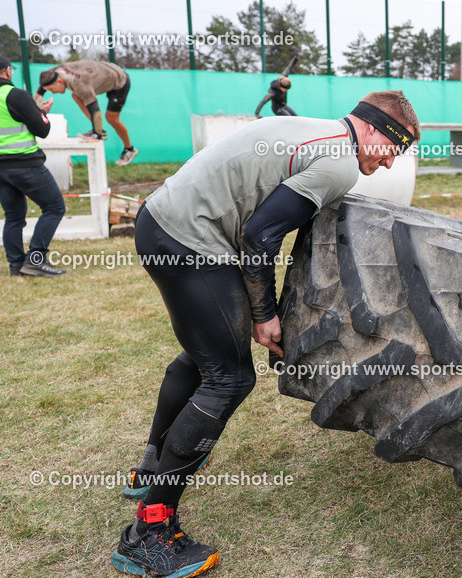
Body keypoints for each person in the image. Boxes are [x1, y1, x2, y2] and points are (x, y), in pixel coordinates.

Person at [111, 91, 421, 578]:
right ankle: (147, 533)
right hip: (188, 238)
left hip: (162, 220)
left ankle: (150, 468)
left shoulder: (317, 132)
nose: (386, 166)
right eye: (392, 151)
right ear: (376, 130)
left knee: (202, 359)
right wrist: (263, 313)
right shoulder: (339, 163)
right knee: (229, 379)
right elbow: (259, 235)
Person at [0, 55, 68, 277]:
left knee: (13, 217)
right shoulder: (16, 95)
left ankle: (16, 266)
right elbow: (42, 129)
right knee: (55, 207)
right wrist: (42, 112)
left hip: (1, 170)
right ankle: (35, 259)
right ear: (7, 71)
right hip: (25, 164)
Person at [35, 60, 139, 166]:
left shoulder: (80, 84)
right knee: (75, 95)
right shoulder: (55, 72)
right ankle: (99, 130)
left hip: (119, 81)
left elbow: (95, 110)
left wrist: (96, 136)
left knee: (111, 118)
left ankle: (129, 149)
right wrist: (35, 102)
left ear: (60, 82)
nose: (53, 93)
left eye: (52, 89)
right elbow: (43, 86)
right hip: (104, 73)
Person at [255, 53, 300, 118]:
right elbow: (263, 102)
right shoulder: (273, 93)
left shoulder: (282, 78)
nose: (286, 90)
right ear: (280, 86)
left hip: (284, 106)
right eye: (285, 89)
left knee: (297, 117)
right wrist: (257, 113)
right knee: (290, 118)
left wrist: (295, 59)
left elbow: (289, 68)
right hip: (277, 109)